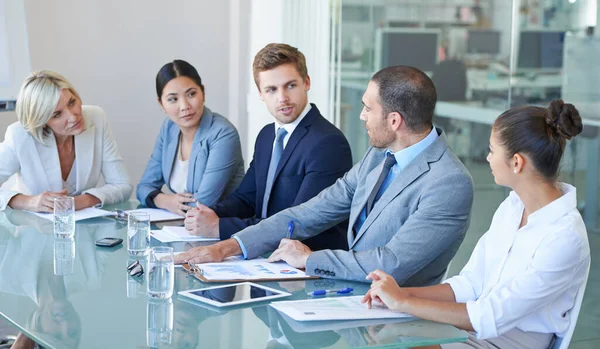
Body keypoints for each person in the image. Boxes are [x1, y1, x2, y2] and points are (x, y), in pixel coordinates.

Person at [176, 65, 475, 286]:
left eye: (367, 108)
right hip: (349, 298)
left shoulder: (448, 182)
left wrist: (308, 260)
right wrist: (228, 247)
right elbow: (311, 212)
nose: (361, 116)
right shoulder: (378, 156)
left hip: (400, 320)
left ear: (394, 120)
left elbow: (390, 264)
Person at [361, 100, 591, 349]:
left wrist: (403, 303)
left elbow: (490, 315)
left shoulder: (565, 237)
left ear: (516, 162)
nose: (487, 157)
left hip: (509, 340)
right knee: (380, 338)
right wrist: (401, 294)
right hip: (473, 328)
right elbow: (470, 283)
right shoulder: (513, 207)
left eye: (492, 150)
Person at [183, 43, 352, 251]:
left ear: (306, 82)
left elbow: (298, 225)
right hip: (266, 258)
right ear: (260, 94)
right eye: (271, 89)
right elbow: (247, 198)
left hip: (304, 266)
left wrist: (219, 226)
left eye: (290, 85)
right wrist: (211, 213)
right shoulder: (266, 135)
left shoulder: (327, 143)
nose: (282, 98)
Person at [0, 71, 132, 212]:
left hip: (83, 228)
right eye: (57, 114)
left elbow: (122, 184)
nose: (73, 117)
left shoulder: (96, 118)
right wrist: (28, 202)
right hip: (32, 228)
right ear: (42, 121)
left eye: (72, 102)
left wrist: (82, 201)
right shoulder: (19, 135)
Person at [136, 60, 245, 216]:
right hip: (179, 227)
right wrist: (166, 201)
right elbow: (143, 187)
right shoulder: (169, 128)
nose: (184, 106)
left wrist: (168, 201)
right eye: (173, 99)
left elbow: (203, 204)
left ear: (203, 93)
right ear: (161, 104)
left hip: (220, 229)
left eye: (191, 94)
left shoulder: (223, 133)